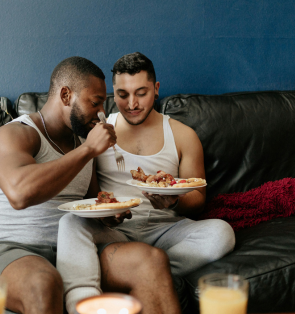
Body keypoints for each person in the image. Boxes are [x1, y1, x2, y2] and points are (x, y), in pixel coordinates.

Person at [0, 56, 181, 314]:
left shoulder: (82, 143)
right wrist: (88, 151)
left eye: (103, 105)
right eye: (94, 103)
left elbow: (93, 201)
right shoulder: (16, 134)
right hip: (15, 248)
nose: (100, 114)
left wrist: (111, 214)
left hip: (79, 250)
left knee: (151, 261)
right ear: (65, 95)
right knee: (43, 283)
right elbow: (20, 194)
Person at [57, 52, 236, 314]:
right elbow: (92, 194)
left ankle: (142, 271)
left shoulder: (183, 135)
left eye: (141, 93)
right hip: (116, 233)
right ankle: (82, 303)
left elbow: (198, 198)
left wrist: (174, 201)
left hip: (167, 230)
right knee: (70, 221)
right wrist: (107, 215)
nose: (131, 104)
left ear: (156, 89)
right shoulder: (97, 133)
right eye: (122, 94)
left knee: (221, 233)